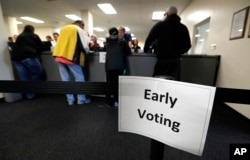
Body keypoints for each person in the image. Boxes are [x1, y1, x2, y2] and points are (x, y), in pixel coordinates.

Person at [144, 6, 191, 80]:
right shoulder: (183, 28)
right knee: (174, 84)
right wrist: (178, 52)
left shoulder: (159, 25)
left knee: (158, 83)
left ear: (167, 14)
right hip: (175, 61)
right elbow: (188, 45)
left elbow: (149, 39)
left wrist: (145, 50)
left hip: (162, 61)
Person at [53, 20, 90, 106]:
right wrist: (87, 51)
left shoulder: (63, 28)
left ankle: (70, 100)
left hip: (59, 56)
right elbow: (84, 45)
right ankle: (81, 100)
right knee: (79, 78)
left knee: (65, 80)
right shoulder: (77, 29)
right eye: (83, 27)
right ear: (81, 25)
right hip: (70, 57)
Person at [11, 25, 45, 99]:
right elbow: (42, 46)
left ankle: (29, 94)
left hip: (16, 58)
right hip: (28, 56)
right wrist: (36, 51)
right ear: (32, 30)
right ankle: (32, 92)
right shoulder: (34, 35)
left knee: (24, 77)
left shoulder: (20, 36)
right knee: (37, 72)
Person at [105, 27, 132, 107]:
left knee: (109, 84)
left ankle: (109, 101)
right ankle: (117, 101)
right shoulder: (122, 41)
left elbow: (104, 50)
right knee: (118, 84)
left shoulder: (107, 42)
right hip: (119, 66)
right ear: (117, 33)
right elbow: (129, 52)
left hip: (109, 66)